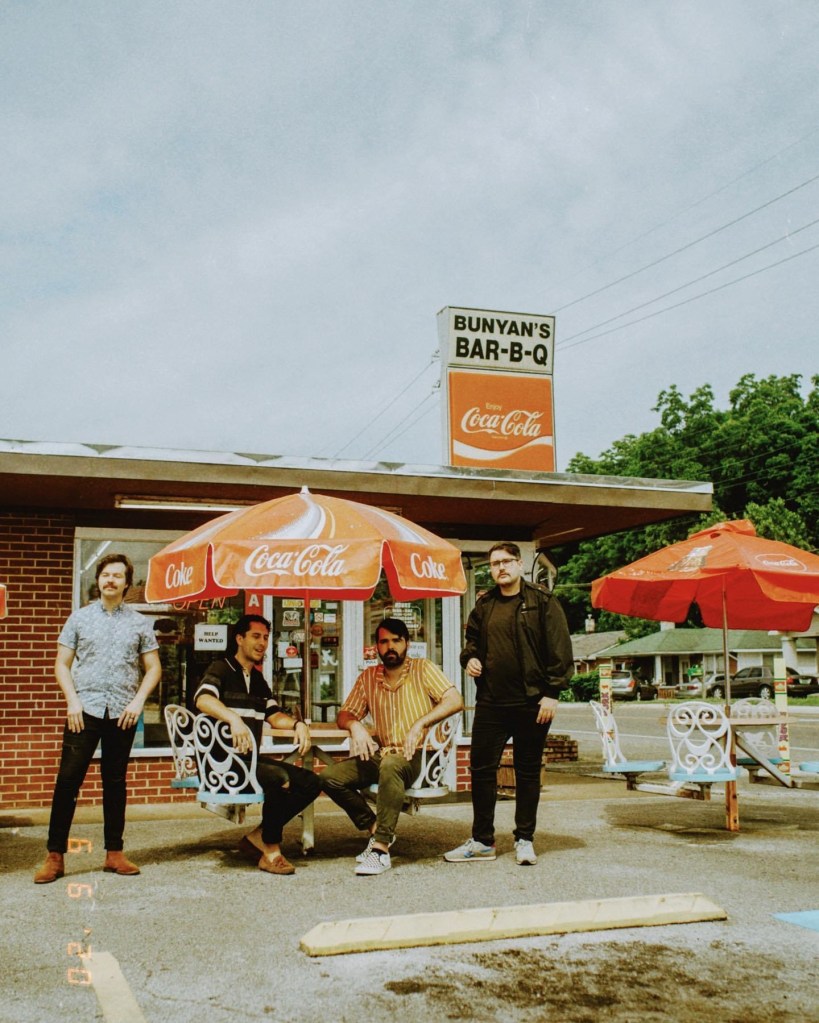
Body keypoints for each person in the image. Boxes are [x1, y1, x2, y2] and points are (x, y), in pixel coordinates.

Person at [34, 554, 162, 883]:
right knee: (68, 780)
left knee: (115, 782)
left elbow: (153, 668)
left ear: (127, 583)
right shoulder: (79, 618)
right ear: (98, 580)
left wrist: (138, 702)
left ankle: (114, 853)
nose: (111, 580)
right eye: (106, 574)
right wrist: (72, 702)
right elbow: (62, 664)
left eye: (117, 575)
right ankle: (55, 856)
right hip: (84, 710)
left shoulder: (139, 623)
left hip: (122, 712)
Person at [444, 542, 573, 866]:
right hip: (491, 702)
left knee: (527, 772)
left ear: (518, 564)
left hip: (533, 702)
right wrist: (470, 659)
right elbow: (472, 642)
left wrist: (552, 693)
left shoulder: (542, 601)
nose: (500, 567)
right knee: (481, 770)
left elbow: (560, 650)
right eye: (494, 563)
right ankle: (482, 841)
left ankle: (524, 839)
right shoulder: (485, 605)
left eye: (505, 561)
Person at [320, 617, 463, 876]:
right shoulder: (368, 677)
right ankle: (377, 829)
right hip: (386, 755)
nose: (390, 647)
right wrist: (355, 726)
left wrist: (420, 723)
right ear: (377, 646)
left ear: (407, 643)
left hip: (421, 756)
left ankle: (381, 850)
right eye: (384, 642)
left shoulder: (423, 668)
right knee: (330, 777)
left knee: (390, 764)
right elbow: (345, 713)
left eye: (396, 640)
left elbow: (455, 700)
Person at [194, 614, 321, 875]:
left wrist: (298, 724)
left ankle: (258, 837)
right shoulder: (221, 668)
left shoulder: (259, 680)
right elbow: (203, 699)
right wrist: (233, 719)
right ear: (239, 639)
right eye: (256, 636)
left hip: (248, 759)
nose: (262, 643)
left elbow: (274, 716)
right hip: (223, 761)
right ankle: (271, 852)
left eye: (265, 637)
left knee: (311, 782)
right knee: (278, 778)